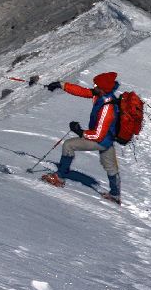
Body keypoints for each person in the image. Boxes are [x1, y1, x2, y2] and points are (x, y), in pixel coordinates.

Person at [42, 71, 122, 204]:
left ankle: (59, 178)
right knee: (111, 168)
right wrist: (61, 85)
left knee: (68, 145)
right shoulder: (102, 95)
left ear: (102, 89)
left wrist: (80, 132)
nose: (93, 86)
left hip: (101, 140)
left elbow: (97, 135)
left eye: (96, 84)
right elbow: (82, 91)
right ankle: (115, 195)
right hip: (108, 139)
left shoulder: (107, 109)